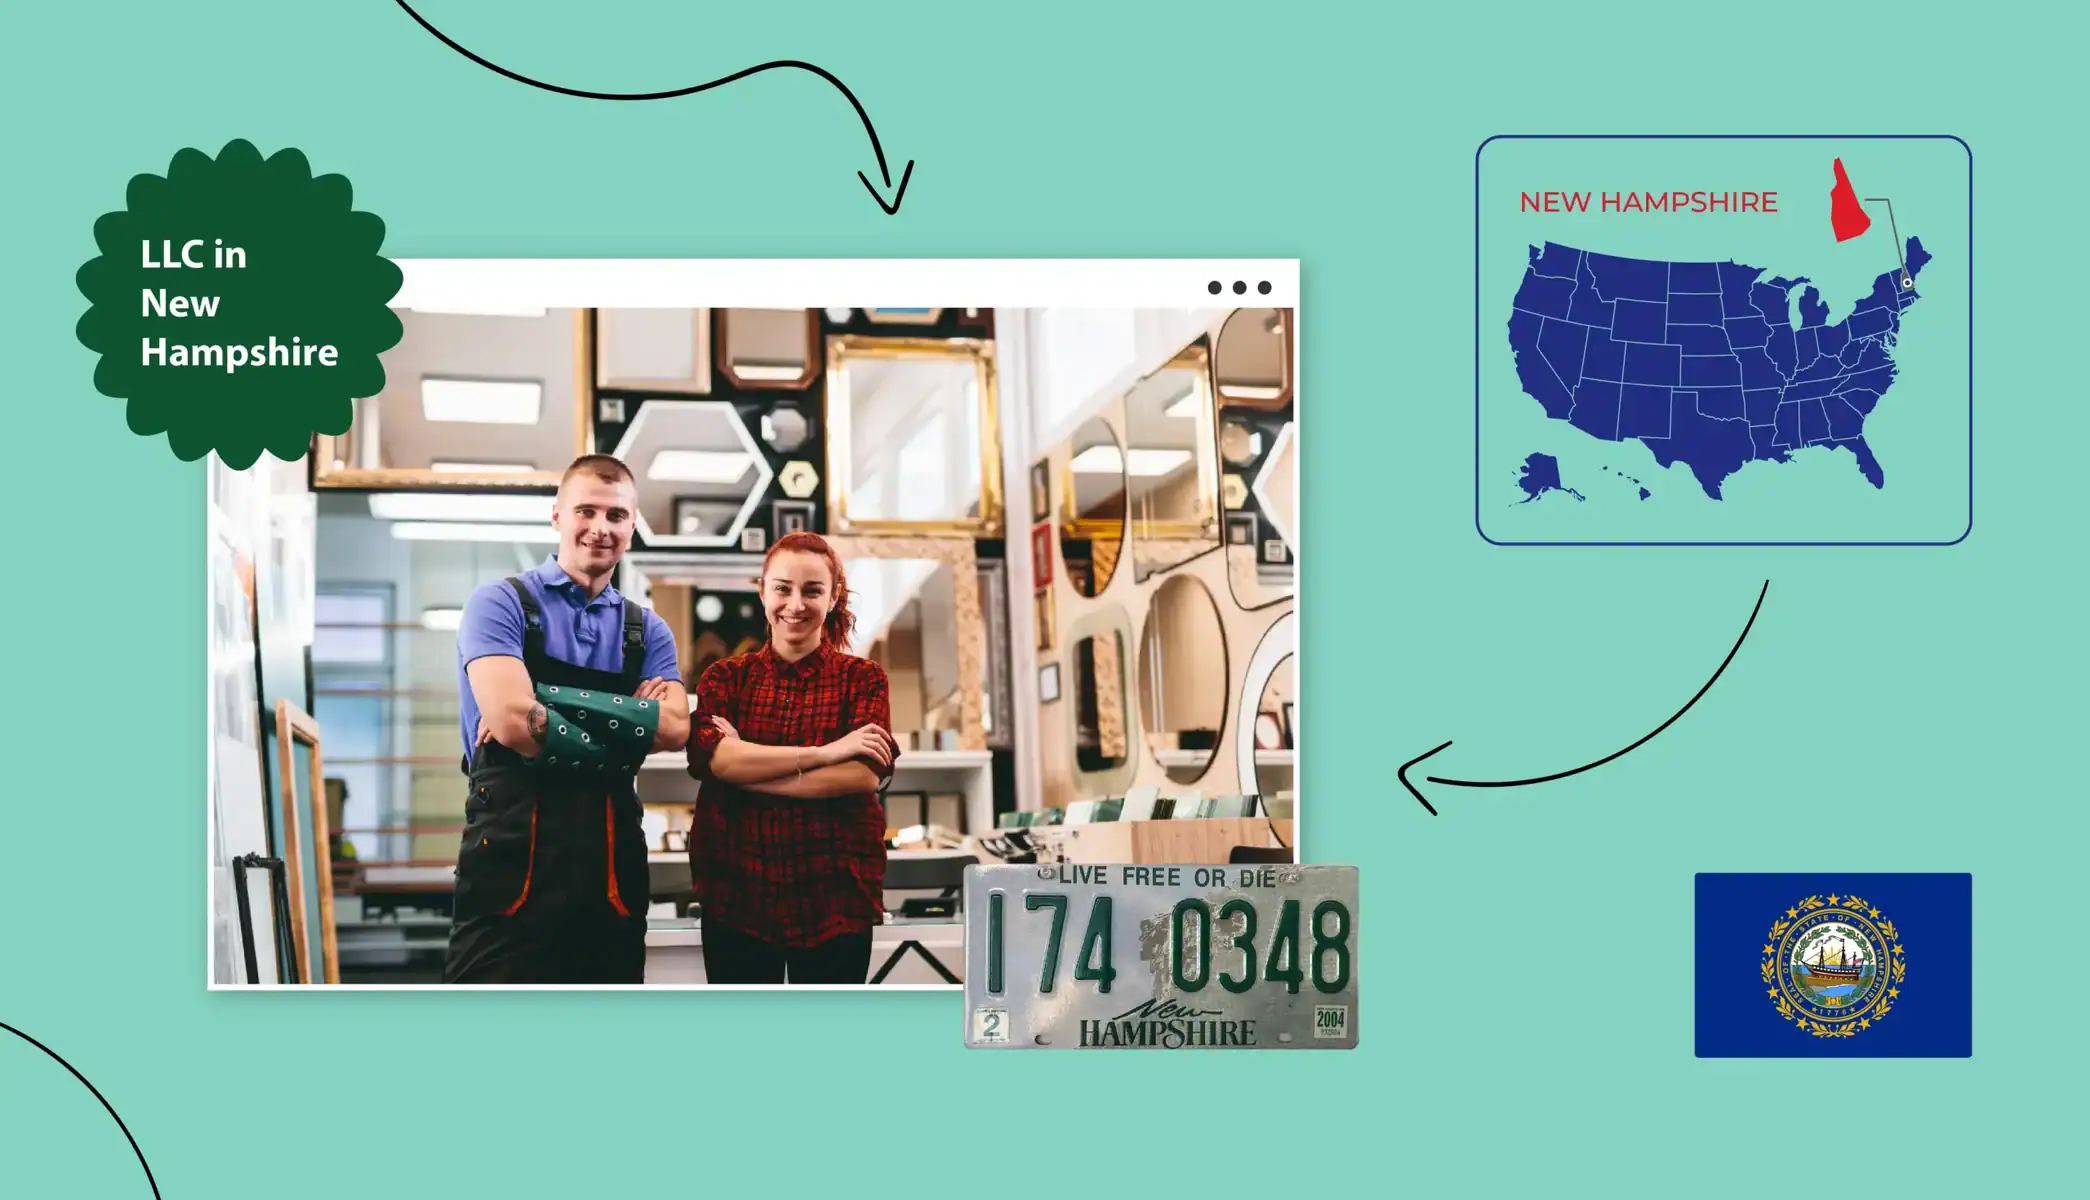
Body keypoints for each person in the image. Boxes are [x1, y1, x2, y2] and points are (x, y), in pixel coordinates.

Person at [444, 454, 690, 984]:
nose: (600, 528)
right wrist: (630, 724)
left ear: (632, 526)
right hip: (508, 862)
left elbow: (674, 729)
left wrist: (545, 706)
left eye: (616, 516)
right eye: (586, 510)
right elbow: (511, 722)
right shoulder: (497, 604)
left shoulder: (647, 631)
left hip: (610, 869)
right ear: (557, 515)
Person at [685, 532, 898, 984]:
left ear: (834, 595)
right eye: (782, 588)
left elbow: (861, 776)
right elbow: (716, 761)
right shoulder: (725, 678)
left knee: (829, 1048)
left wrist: (745, 766)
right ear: (762, 589)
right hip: (736, 893)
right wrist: (827, 752)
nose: (795, 604)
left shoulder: (864, 679)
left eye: (812, 590)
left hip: (836, 896)